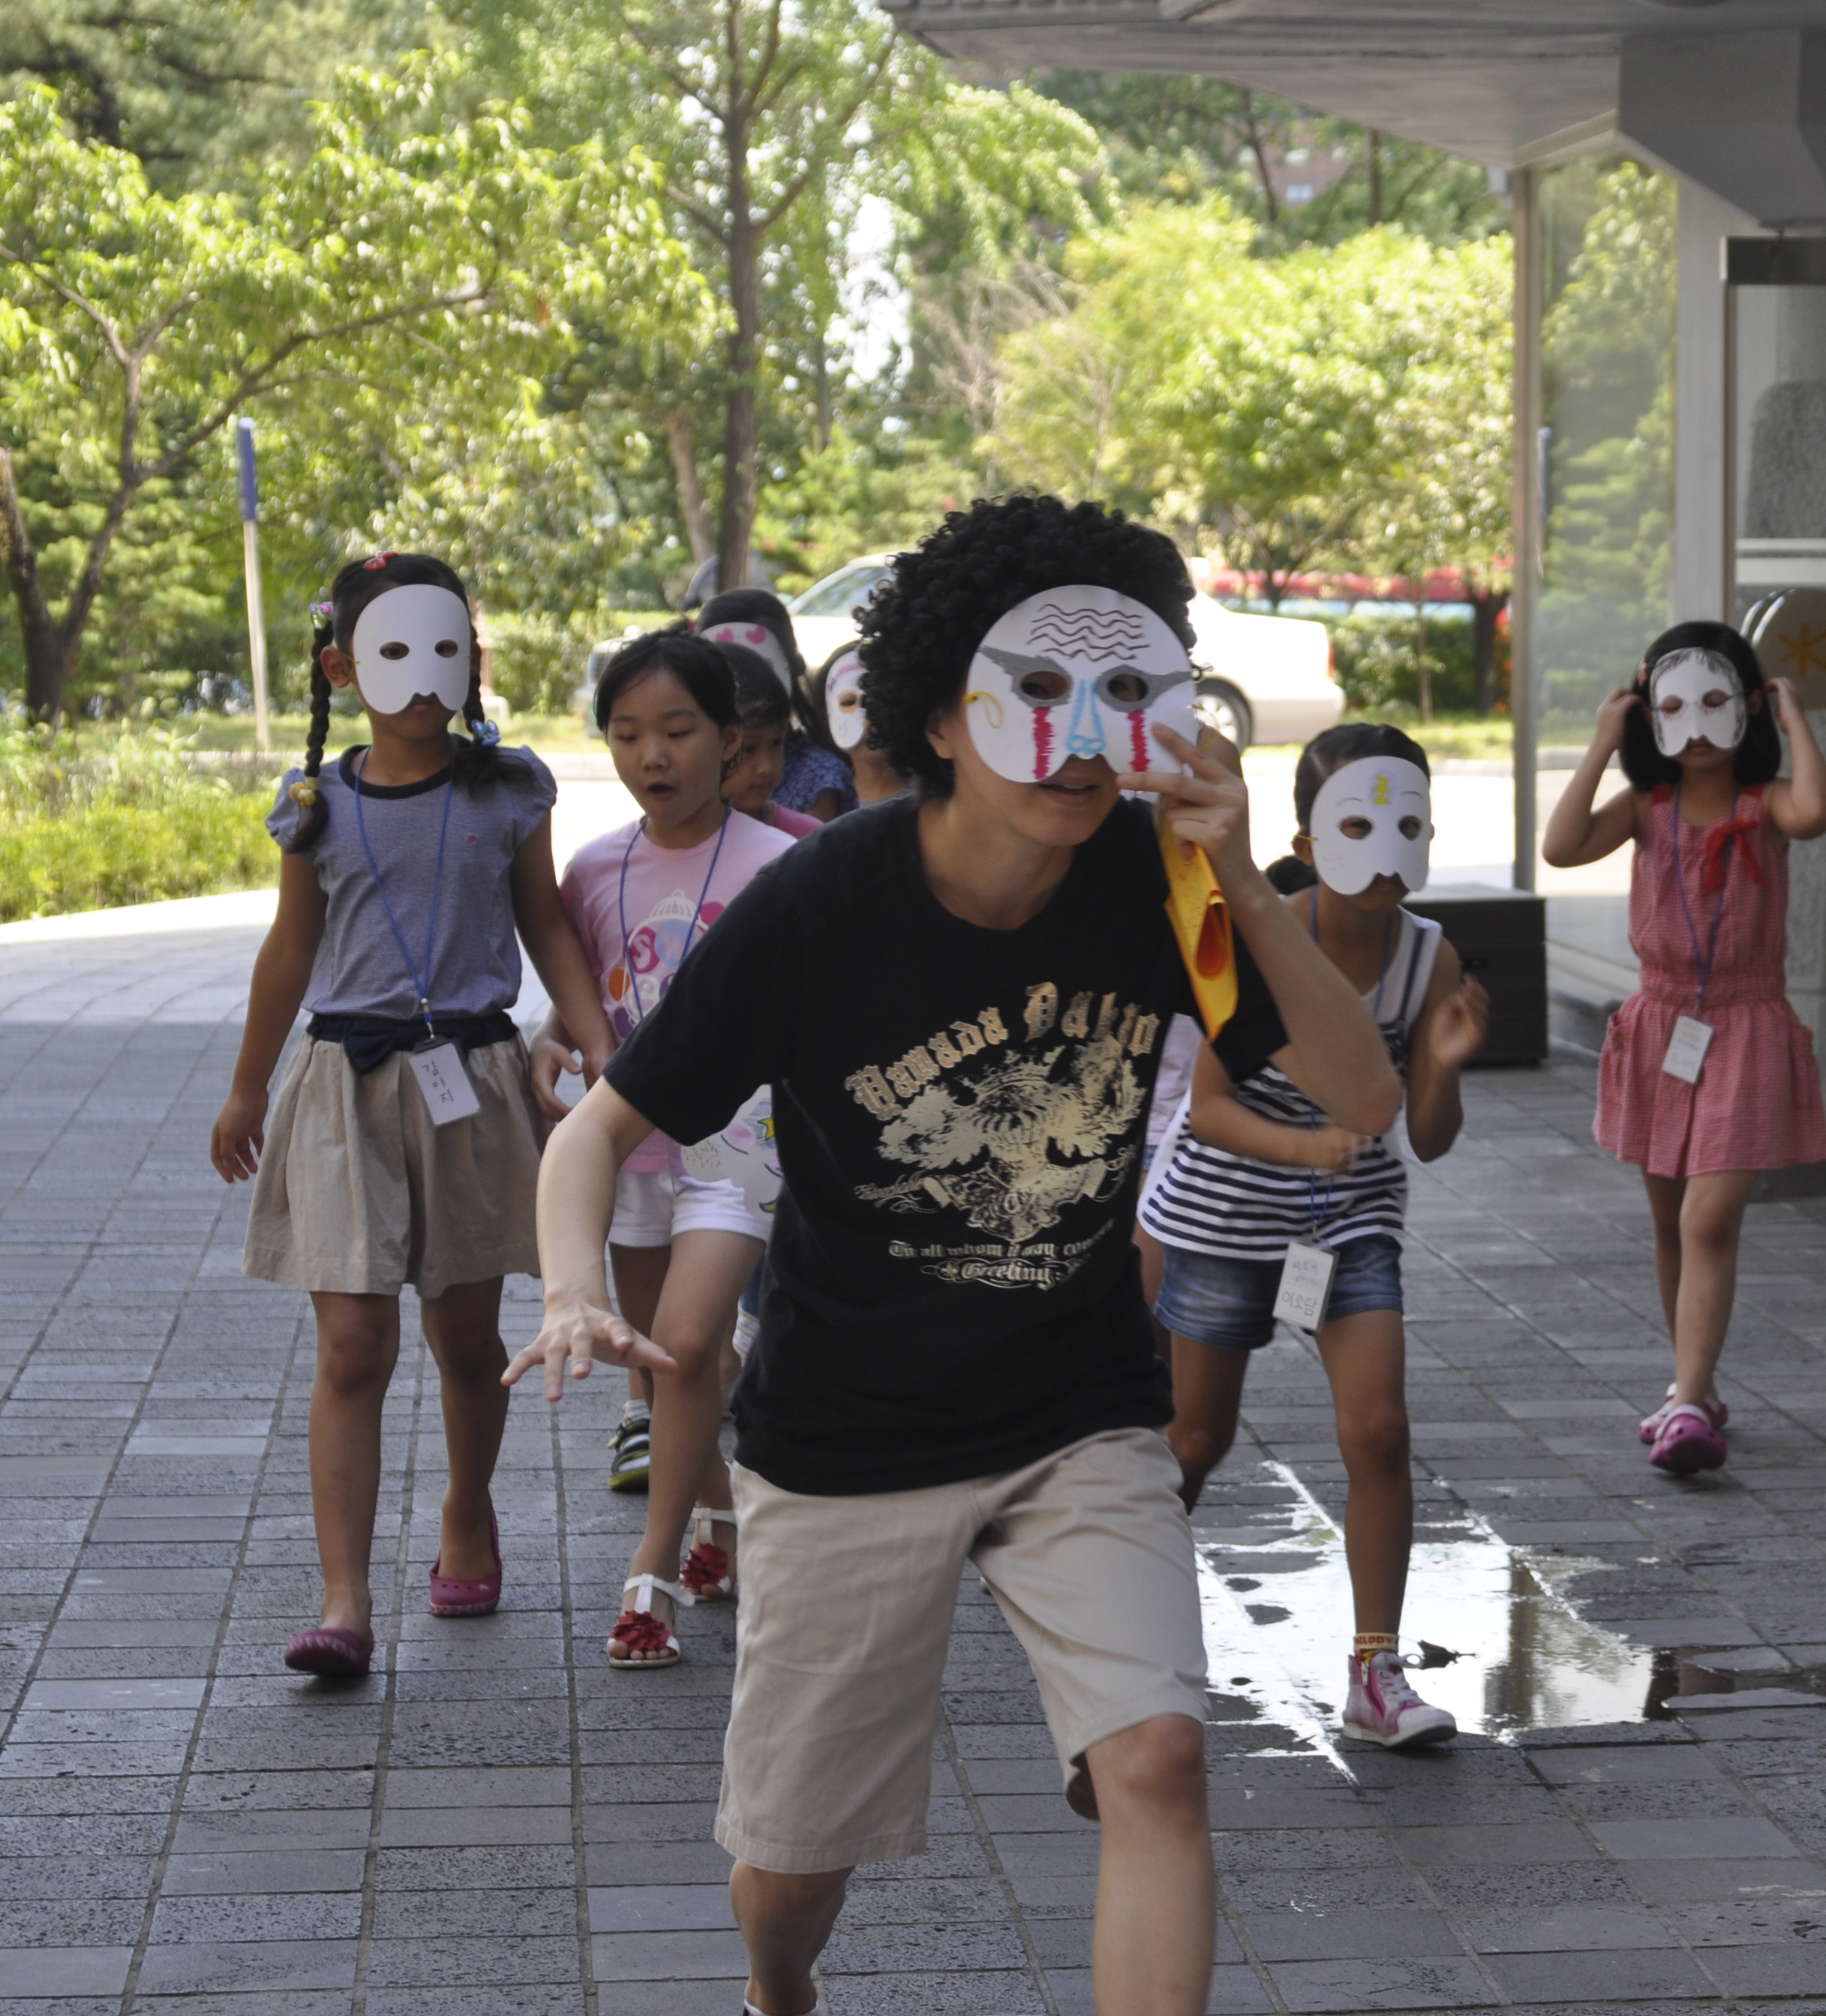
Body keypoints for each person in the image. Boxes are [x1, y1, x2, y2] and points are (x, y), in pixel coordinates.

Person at [506, 493, 1401, 2016]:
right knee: (791, 1874)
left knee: (1159, 1759)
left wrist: (1241, 873)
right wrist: (581, 1287)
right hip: (847, 1435)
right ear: (938, 711)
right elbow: (597, 1129)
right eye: (1033, 689)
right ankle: (778, 1990)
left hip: (1077, 1409)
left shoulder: (1162, 881)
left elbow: (1363, 1097)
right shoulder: (821, 899)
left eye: (1122, 691)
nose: (1079, 738)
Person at [208, 552, 614, 1678]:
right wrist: (246, 1085)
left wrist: (595, 1037)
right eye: (394, 650)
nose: (425, 675)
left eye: (447, 648)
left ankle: (466, 1511)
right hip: (343, 1085)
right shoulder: (317, 805)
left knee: (465, 1337)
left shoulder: (508, 789)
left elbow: (545, 921)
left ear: (472, 658)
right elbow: (290, 948)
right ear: (342, 668)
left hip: (471, 1079)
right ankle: (344, 1599)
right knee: (353, 1344)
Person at [1140, 724, 1493, 1750]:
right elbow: (1209, 1108)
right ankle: (1119, 1624)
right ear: (1304, 839)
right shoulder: (1255, 934)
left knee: (1379, 1430)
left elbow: (1427, 1136)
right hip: (1225, 1211)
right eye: (1356, 826)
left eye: (1407, 824)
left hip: (1349, 1215)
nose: (1384, 851)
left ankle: (1376, 1671)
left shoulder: (1429, 955)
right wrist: (1307, 1148)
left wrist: (1446, 1065)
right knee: (1195, 1439)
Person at [550, 626, 798, 1660]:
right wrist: (553, 1040)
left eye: (679, 730)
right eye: (627, 734)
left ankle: (649, 1569)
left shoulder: (785, 866)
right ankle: (719, 1505)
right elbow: (587, 994)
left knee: (690, 1341)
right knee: (655, 1362)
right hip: (630, 1152)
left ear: (731, 738)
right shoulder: (591, 868)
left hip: (740, 1149)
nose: (653, 756)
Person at [1541, 623, 1826, 1475]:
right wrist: (1604, 741)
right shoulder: (1648, 807)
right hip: (1660, 1026)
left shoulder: (1766, 803)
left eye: (1716, 702)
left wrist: (1793, 714)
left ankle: (1686, 1406)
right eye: (1674, 707)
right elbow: (1561, 845)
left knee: (1709, 1218)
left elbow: (1817, 811)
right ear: (1649, 712)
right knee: (1671, 1223)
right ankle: (1691, 1389)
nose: (1697, 726)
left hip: (1745, 1027)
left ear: (1747, 706)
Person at [699, 586, 855, 822]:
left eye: (760, 670)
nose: (748, 690)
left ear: (794, 667)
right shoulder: (687, 773)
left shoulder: (819, 780)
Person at [722, 650, 824, 840]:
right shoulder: (667, 841)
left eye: (777, 742)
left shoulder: (806, 838)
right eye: (749, 748)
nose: (766, 767)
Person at [816, 641, 909, 806]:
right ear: (826, 718)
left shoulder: (933, 795)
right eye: (849, 702)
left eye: (878, 699)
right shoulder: (827, 803)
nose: (867, 718)